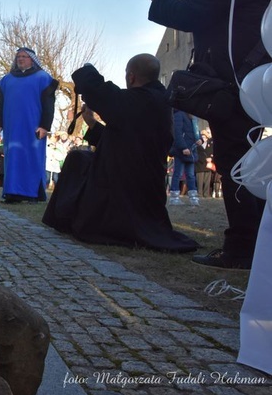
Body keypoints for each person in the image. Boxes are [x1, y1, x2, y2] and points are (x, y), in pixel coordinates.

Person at [145, 0, 272, 268]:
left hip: (231, 77)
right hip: (254, 74)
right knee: (250, 160)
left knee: (237, 161)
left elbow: (195, 14)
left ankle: (242, 248)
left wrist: (159, 0)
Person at [42, 55, 200, 253]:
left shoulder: (140, 100)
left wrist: (88, 70)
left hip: (127, 185)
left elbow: (99, 91)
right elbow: (123, 142)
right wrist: (91, 123)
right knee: (82, 157)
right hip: (143, 180)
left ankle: (67, 217)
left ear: (131, 77)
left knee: (77, 159)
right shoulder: (160, 101)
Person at [0, 47, 58, 203]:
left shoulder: (42, 78)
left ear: (32, 60)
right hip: (12, 129)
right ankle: (12, 193)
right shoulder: (7, 80)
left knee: (32, 158)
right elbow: (1, 103)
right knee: (13, 158)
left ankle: (33, 193)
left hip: (33, 128)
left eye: (24, 56)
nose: (20, 59)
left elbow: (49, 104)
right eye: (18, 57)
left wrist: (44, 126)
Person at [168, 110, 202, 206]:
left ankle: (193, 197)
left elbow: (197, 131)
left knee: (191, 175)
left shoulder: (193, 119)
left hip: (191, 151)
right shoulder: (179, 115)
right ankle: (174, 197)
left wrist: (200, 139)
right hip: (182, 151)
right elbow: (177, 132)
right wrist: (183, 147)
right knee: (178, 173)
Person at [196, 129, 214, 198]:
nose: (203, 138)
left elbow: (213, 152)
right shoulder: (197, 145)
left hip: (208, 166)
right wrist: (205, 159)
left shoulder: (210, 144)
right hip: (200, 165)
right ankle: (199, 194)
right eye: (202, 137)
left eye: (204, 137)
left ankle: (206, 194)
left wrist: (211, 159)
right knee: (199, 181)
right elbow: (196, 154)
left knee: (207, 181)